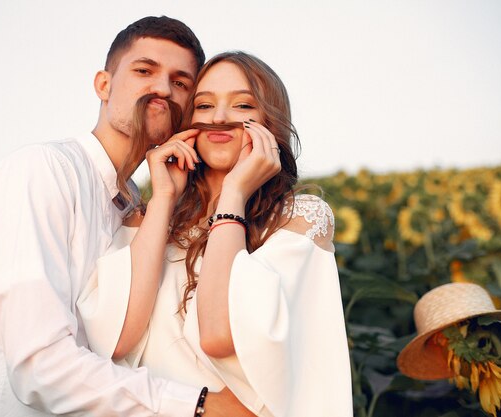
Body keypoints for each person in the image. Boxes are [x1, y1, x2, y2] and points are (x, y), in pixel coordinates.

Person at [0, 16, 256, 416]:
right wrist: (199, 406)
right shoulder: (42, 171)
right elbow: (39, 366)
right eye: (144, 70)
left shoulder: (143, 202)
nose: (162, 88)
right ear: (103, 84)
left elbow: (119, 342)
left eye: (181, 82)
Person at [79, 51, 354, 416]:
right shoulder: (151, 219)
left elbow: (219, 335)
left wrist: (234, 194)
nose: (220, 118)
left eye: (243, 105)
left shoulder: (297, 218)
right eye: (204, 105)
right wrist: (162, 198)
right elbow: (114, 339)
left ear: (270, 122)